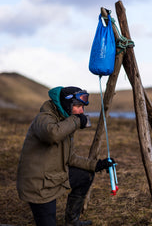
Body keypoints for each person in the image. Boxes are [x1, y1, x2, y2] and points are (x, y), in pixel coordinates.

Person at [17, 86, 115, 226]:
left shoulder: (65, 120)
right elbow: (52, 134)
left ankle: (72, 221)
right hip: (39, 186)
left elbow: (70, 158)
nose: (81, 111)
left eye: (83, 107)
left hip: (54, 176)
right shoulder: (44, 118)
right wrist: (76, 121)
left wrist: (97, 165)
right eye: (78, 106)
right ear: (66, 104)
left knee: (85, 175)